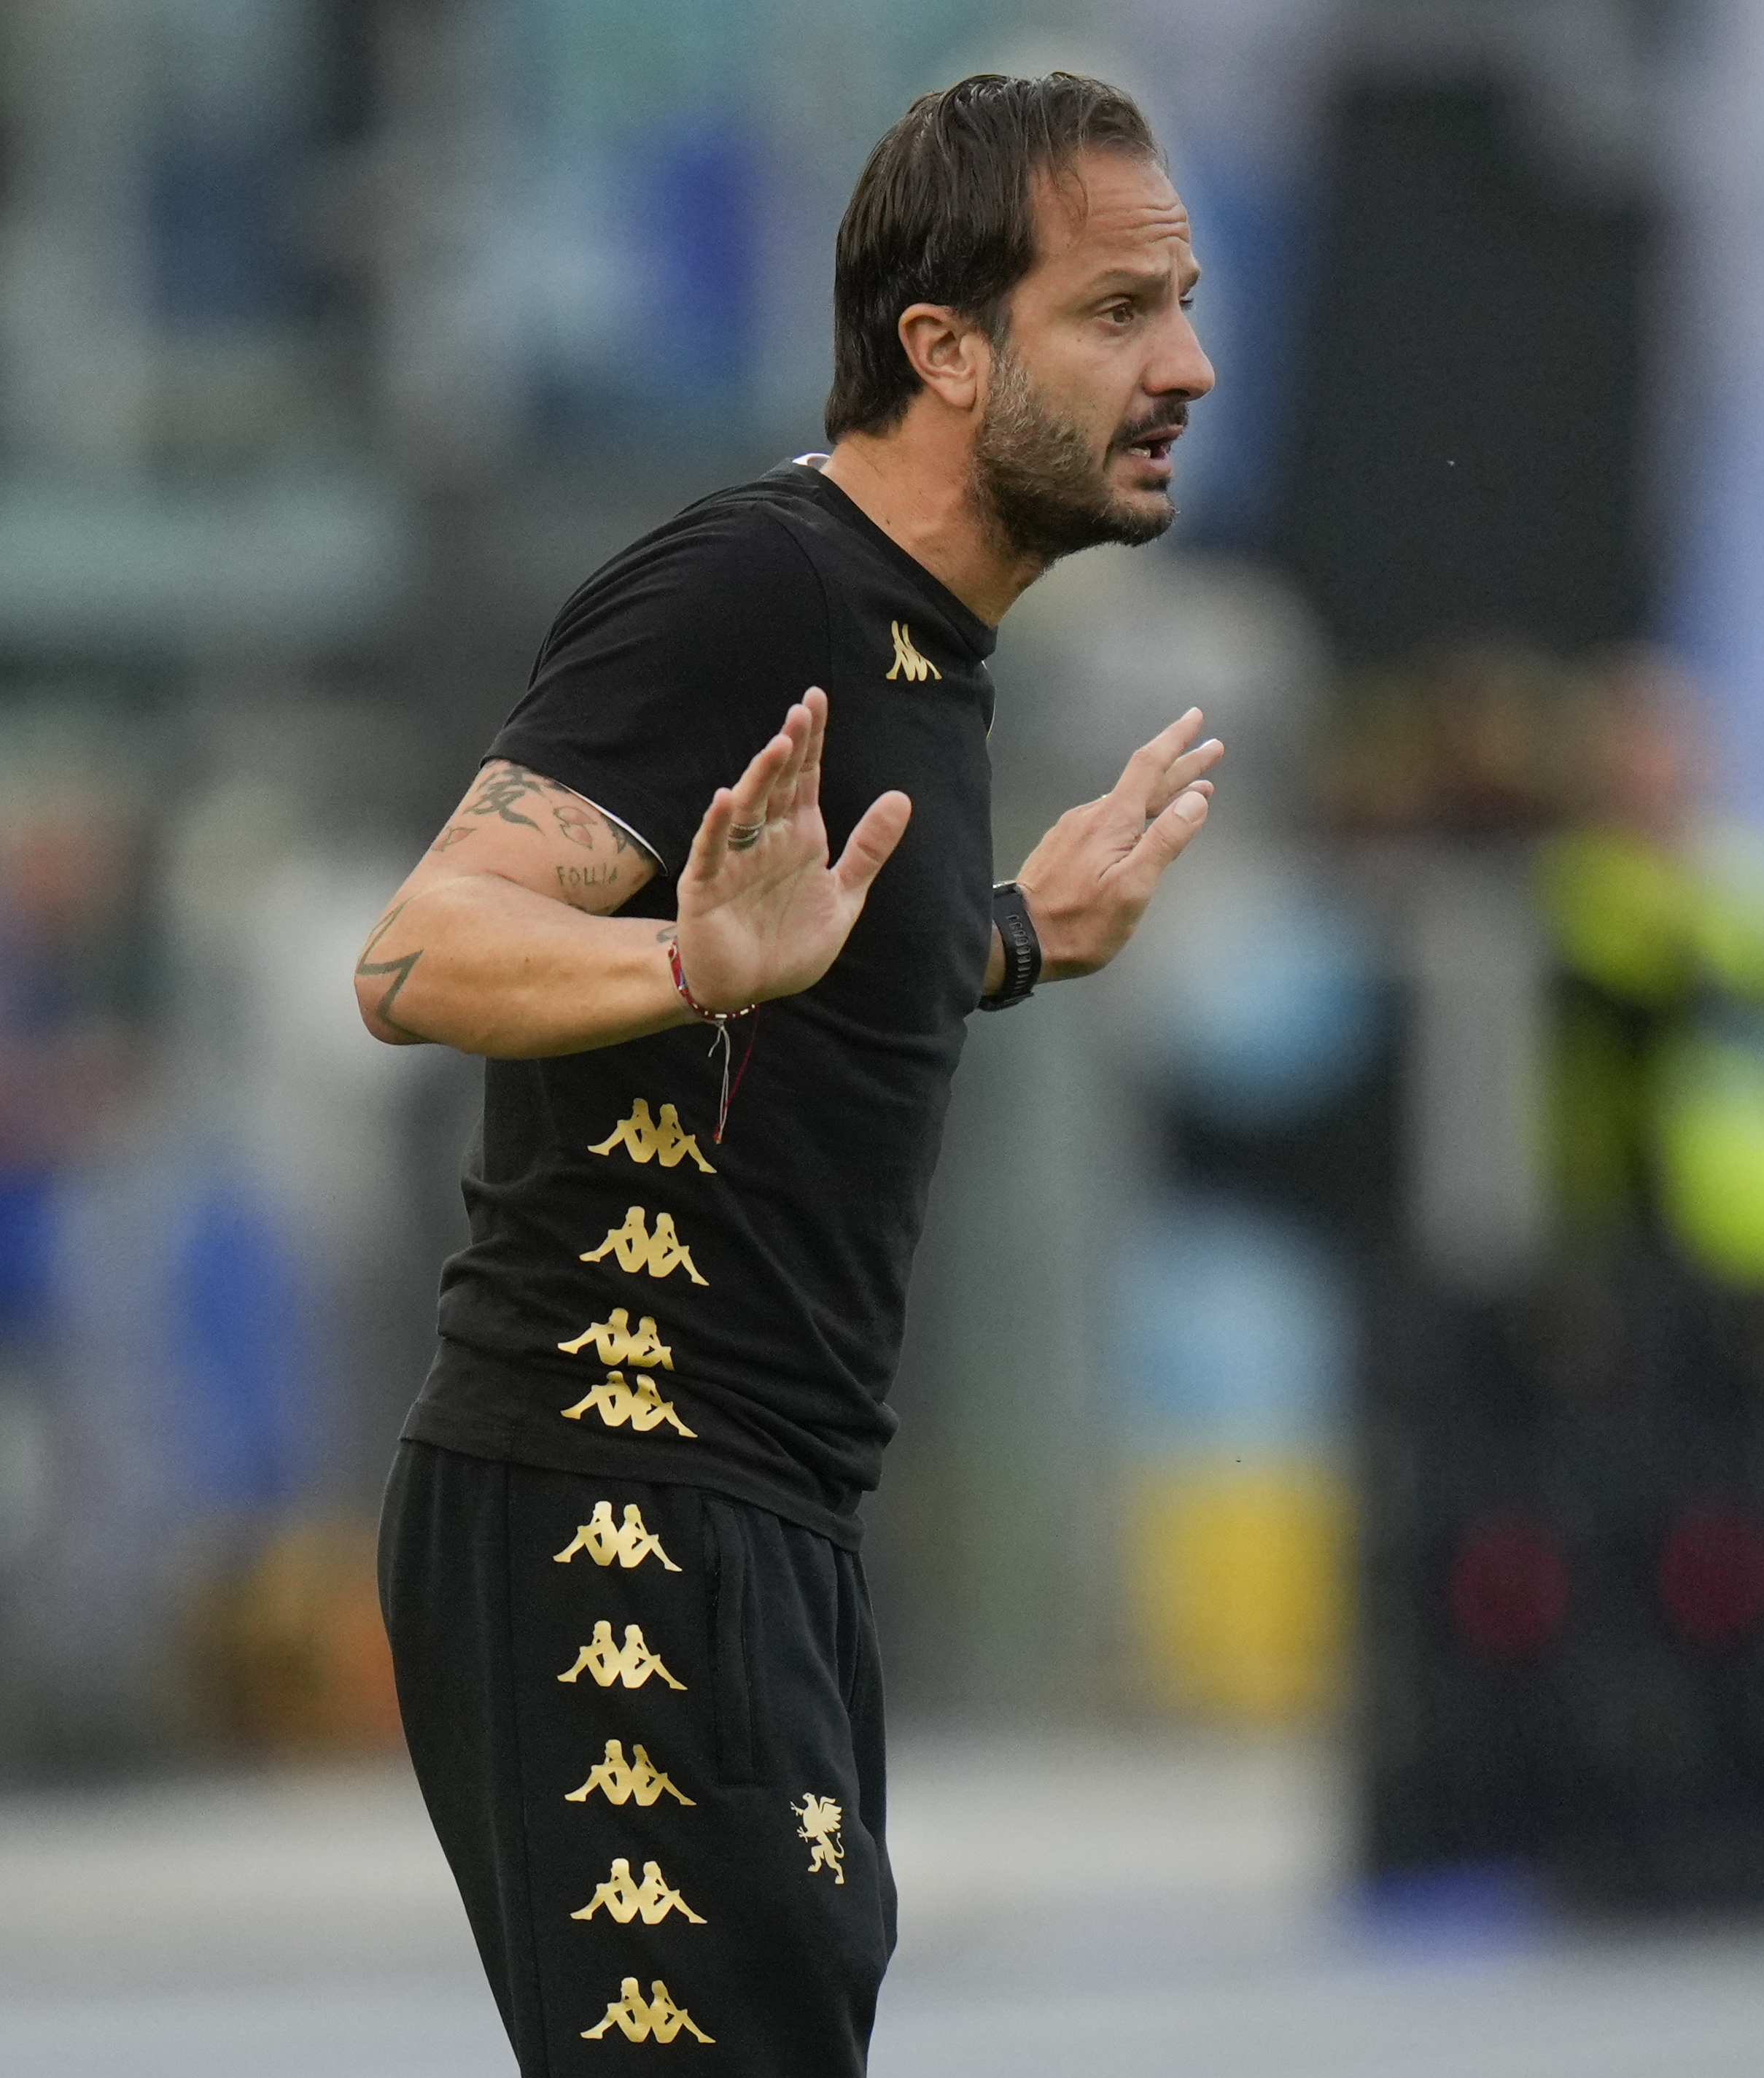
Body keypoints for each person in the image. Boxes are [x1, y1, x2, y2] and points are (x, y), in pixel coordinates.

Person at [359, 73, 1220, 2075]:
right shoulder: (755, 591)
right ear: (942, 345)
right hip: (612, 1499)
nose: (1182, 363)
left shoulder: (924, 642)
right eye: (1114, 313)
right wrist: (677, 956)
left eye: (1179, 304)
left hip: (765, 1523)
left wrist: (1009, 933)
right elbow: (415, 950)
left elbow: (806, 966)